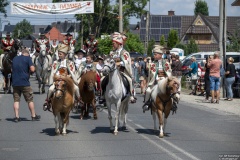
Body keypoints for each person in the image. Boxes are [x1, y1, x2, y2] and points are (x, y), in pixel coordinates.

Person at [43, 43, 80, 111]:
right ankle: (47, 102)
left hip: (67, 80)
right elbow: (53, 72)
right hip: (57, 80)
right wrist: (56, 77)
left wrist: (66, 77)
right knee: (51, 89)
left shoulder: (70, 63)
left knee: (76, 88)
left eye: (60, 54)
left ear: (65, 55)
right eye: (59, 53)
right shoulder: (55, 62)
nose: (59, 55)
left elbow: (72, 73)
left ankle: (78, 101)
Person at [12, 49, 41, 122]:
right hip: (25, 83)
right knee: (30, 100)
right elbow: (32, 69)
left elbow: (12, 69)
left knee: (16, 100)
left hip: (15, 82)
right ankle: (33, 115)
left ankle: (17, 116)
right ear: (27, 54)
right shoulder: (28, 58)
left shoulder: (15, 58)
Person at [142, 45, 172, 112]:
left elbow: (169, 73)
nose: (154, 56)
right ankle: (147, 103)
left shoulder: (166, 63)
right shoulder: (152, 64)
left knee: (172, 90)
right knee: (148, 91)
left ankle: (172, 104)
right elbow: (152, 74)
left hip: (164, 81)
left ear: (160, 55)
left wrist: (166, 79)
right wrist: (156, 79)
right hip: (155, 81)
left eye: (155, 54)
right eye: (154, 54)